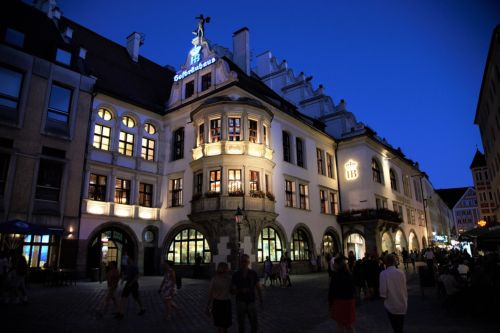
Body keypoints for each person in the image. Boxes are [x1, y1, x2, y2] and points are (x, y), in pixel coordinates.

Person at [231, 254, 263, 333]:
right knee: (241, 324)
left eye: (246, 261)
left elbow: (258, 287)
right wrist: (240, 291)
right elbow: (232, 290)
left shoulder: (253, 273)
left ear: (248, 262)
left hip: (251, 302)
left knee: (254, 324)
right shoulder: (236, 275)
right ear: (240, 262)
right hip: (240, 302)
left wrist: (261, 299)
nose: (244, 263)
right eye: (242, 261)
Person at [379, 254, 407, 333]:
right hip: (402, 303)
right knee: (400, 327)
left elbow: (383, 293)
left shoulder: (383, 274)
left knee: (395, 327)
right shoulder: (401, 273)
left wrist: (383, 301)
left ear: (385, 263)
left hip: (391, 305)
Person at [328, 256, 356, 333]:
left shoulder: (335, 276)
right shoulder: (349, 274)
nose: (333, 265)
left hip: (339, 302)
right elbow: (353, 288)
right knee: (349, 325)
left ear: (338, 265)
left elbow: (332, 292)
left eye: (334, 263)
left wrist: (330, 304)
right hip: (349, 301)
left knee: (340, 325)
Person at [207, 262, 232, 332]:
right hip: (226, 303)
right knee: (225, 325)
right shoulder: (229, 279)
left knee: (219, 325)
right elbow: (232, 291)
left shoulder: (214, 279)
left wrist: (208, 306)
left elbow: (210, 293)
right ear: (226, 269)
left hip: (217, 303)